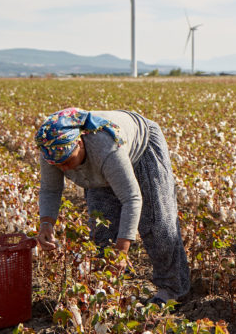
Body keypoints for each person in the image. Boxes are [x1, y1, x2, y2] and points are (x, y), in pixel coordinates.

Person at [34, 107, 190, 304]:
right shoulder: (52, 150)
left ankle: (172, 289)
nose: (64, 168)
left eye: (67, 160)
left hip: (142, 148)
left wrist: (122, 251)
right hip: (99, 169)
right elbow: (50, 190)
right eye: (58, 165)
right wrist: (46, 224)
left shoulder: (105, 148)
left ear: (79, 143)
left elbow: (132, 199)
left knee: (158, 224)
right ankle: (109, 288)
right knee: (102, 229)